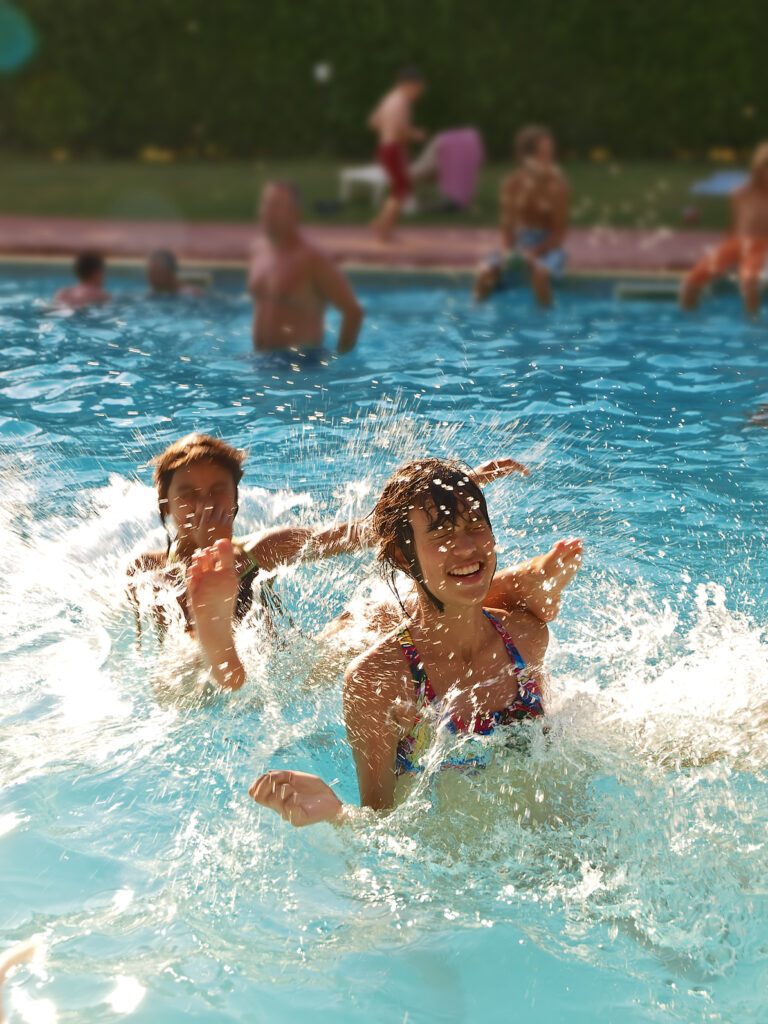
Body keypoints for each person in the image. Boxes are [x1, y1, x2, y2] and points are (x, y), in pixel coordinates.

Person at [250, 458, 580, 826]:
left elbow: (552, 755)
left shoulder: (526, 637)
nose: (468, 546)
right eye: (442, 535)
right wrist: (334, 813)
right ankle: (530, 579)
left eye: (476, 525)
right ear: (401, 557)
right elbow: (381, 827)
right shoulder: (378, 680)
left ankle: (530, 579)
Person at [128, 433, 370, 691]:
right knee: (182, 664)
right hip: (199, 686)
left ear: (235, 500)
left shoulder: (261, 551)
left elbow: (357, 534)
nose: (205, 504)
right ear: (165, 505)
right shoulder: (147, 570)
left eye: (217, 491)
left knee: (367, 618)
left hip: (276, 679)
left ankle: (216, 640)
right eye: (189, 493)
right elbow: (161, 634)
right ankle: (213, 636)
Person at [248, 181, 363, 354]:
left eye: (276, 206)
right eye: (266, 204)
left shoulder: (312, 259)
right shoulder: (258, 250)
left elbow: (353, 312)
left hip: (300, 367)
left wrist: (341, 360)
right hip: (259, 361)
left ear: (295, 214)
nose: (268, 212)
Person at [474, 125, 569, 307]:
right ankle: (475, 314)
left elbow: (558, 236)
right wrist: (509, 253)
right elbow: (506, 231)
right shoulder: (512, 184)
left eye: (550, 153)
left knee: (540, 274)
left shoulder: (557, 187)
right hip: (518, 244)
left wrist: (532, 254)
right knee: (484, 273)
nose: (549, 159)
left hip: (547, 246)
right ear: (527, 157)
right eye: (544, 154)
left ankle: (547, 321)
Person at [680, 142, 768, 317]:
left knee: (749, 282)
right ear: (758, 170)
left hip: (760, 245)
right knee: (692, 281)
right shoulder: (741, 194)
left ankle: (754, 326)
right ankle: (687, 323)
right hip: (735, 243)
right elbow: (735, 225)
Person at [368, 67, 426, 241]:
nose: (419, 93)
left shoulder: (389, 99)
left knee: (400, 188)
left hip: (385, 147)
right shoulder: (402, 102)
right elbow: (400, 129)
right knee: (402, 189)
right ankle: (384, 229)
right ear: (410, 85)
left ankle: (381, 223)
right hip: (394, 148)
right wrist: (415, 134)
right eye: (418, 89)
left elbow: (374, 122)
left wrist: (388, 131)